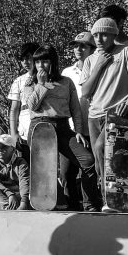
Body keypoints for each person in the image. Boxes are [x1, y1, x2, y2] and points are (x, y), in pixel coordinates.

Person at [24, 44, 102, 212]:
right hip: (40, 128)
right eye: (37, 62)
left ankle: (89, 205)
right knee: (43, 171)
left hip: (63, 127)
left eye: (45, 61)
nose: (40, 66)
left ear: (53, 62)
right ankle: (43, 207)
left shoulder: (66, 82)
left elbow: (76, 109)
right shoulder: (30, 82)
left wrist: (79, 131)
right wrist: (41, 84)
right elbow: (32, 106)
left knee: (88, 161)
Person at [80, 18, 128, 211]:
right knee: (101, 163)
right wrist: (99, 65)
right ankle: (110, 200)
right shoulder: (91, 60)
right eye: (96, 34)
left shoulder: (124, 52)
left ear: (115, 35)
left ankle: (112, 201)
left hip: (116, 113)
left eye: (105, 34)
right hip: (94, 117)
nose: (99, 38)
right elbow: (85, 92)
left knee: (103, 149)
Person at [59, 32, 95, 210]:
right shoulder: (66, 73)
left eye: (83, 46)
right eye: (75, 46)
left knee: (92, 170)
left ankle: (91, 206)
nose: (78, 49)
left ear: (92, 49)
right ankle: (72, 208)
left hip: (96, 129)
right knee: (66, 174)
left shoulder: (100, 68)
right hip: (71, 131)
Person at [8, 42, 40, 163]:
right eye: (22, 59)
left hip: (45, 133)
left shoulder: (48, 78)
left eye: (28, 58)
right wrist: (13, 133)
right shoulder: (19, 81)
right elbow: (14, 109)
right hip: (24, 134)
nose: (25, 62)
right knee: (26, 168)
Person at [0, 134, 30, 210]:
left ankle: (18, 211)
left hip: (18, 196)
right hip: (1, 197)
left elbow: (24, 182)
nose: (0, 149)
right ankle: (12, 213)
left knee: (32, 196)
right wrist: (10, 194)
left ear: (13, 149)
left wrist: (23, 202)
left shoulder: (20, 162)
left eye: (4, 146)